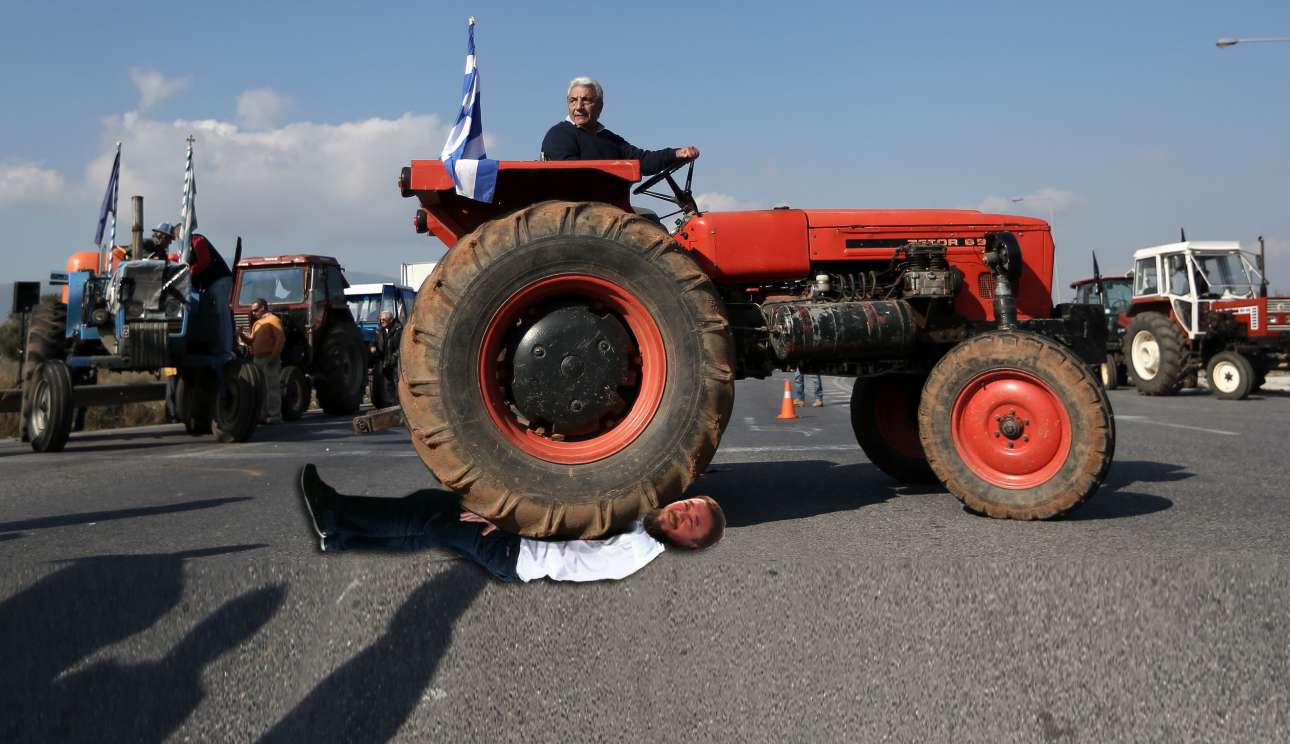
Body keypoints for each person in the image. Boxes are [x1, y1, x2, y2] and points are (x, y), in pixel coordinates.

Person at [298, 465, 725, 583]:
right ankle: (340, 535)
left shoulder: (633, 549)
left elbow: (566, 544)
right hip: (516, 548)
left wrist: (503, 523)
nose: (682, 513)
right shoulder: (642, 524)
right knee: (428, 526)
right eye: (689, 506)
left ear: (686, 544)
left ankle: (332, 513)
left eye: (690, 523)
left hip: (513, 547)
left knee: (430, 516)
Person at [540, 77, 701, 176]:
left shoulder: (609, 139)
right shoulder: (559, 135)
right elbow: (572, 177)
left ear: (600, 105)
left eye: (586, 100)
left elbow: (643, 161)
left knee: (650, 217)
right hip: (581, 208)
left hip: (608, 205)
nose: (579, 107)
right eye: (573, 100)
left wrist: (676, 154)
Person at [173, 224, 235, 360]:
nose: (177, 240)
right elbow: (177, 259)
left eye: (177, 237)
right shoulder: (185, 248)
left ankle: (225, 349)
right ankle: (214, 346)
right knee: (211, 314)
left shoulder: (197, 240)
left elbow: (204, 261)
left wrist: (187, 273)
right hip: (209, 283)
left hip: (219, 280)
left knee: (221, 313)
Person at [238, 298, 285, 424]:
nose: (253, 313)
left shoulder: (274, 320)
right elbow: (251, 341)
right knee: (261, 388)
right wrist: (241, 335)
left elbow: (280, 339)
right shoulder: (257, 324)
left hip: (269, 358)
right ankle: (263, 415)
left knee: (272, 387)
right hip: (257, 359)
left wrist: (273, 357)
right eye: (252, 311)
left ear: (263, 308)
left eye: (255, 310)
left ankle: (275, 416)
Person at [371, 309, 403, 401]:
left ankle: (398, 402)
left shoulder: (398, 330)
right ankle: (391, 402)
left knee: (397, 382)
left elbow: (400, 347)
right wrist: (373, 347)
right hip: (384, 361)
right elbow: (374, 342)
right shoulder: (379, 331)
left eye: (384, 320)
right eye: (381, 319)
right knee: (388, 384)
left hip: (395, 362)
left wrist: (394, 357)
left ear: (391, 320)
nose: (382, 321)